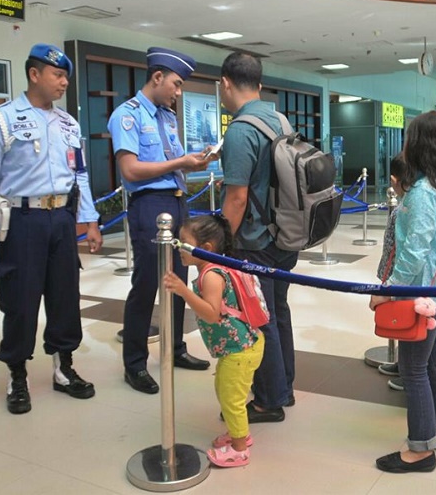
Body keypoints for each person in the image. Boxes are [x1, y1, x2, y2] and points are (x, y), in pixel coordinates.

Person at [0, 43, 102, 414]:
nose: (64, 82)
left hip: (61, 219)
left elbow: (80, 175)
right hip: (22, 220)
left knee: (65, 296)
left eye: (66, 77)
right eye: (57, 75)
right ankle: (17, 375)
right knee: (20, 300)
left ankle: (64, 368)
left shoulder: (69, 124)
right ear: (34, 74)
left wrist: (90, 221)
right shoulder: (1, 119)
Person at [369, 111, 436, 473]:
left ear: (422, 145)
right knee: (433, 362)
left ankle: (421, 449)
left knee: (413, 369)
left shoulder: (426, 192)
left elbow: (414, 250)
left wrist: (390, 290)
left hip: (422, 291)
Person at [108, 47, 212, 394]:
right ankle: (135, 363)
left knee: (178, 279)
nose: (178, 92)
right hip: (150, 204)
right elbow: (130, 169)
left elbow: (171, 164)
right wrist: (181, 162)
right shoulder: (128, 115)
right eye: (176, 84)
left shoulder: (167, 117)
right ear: (157, 77)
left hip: (178, 203)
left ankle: (175, 348)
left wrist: (194, 162)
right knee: (147, 284)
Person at [219, 51, 298, 422]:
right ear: (260, 84)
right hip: (285, 236)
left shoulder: (240, 130)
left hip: (256, 242)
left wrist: (221, 244)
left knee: (259, 318)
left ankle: (269, 400)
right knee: (278, 312)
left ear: (225, 84)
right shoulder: (280, 119)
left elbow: (237, 198)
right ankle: (284, 386)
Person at [162, 214, 265, 468]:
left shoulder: (211, 275)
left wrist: (183, 291)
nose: (178, 247)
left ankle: (240, 449)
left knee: (231, 400)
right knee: (224, 391)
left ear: (206, 247)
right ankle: (238, 432)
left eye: (183, 242)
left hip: (240, 350)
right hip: (237, 348)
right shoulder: (212, 268)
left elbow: (211, 313)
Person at [374, 153, 408, 390]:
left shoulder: (406, 208)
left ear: (394, 180)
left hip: (402, 275)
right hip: (395, 273)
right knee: (403, 320)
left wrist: (391, 282)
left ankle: (409, 372)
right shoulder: (406, 205)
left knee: (408, 320)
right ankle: (403, 363)